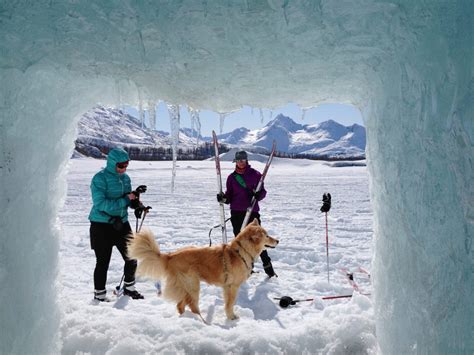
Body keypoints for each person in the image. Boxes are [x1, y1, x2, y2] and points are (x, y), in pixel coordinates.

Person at [88, 148, 144, 301]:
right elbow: (100, 204)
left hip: (122, 224)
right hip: (101, 226)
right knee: (103, 262)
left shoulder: (125, 179)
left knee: (132, 258)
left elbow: (127, 199)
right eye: (120, 166)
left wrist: (137, 205)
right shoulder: (99, 179)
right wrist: (126, 200)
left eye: (126, 166)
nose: (123, 169)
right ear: (112, 163)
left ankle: (129, 289)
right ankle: (99, 296)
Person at [217, 150, 277, 278]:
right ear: (235, 162)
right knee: (241, 244)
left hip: (252, 213)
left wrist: (258, 195)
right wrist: (224, 199)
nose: (240, 163)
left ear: (246, 160)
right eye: (238, 161)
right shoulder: (231, 178)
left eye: (243, 160)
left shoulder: (255, 174)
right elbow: (229, 196)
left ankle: (269, 269)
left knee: (259, 241)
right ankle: (245, 269)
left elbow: (263, 192)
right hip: (237, 213)